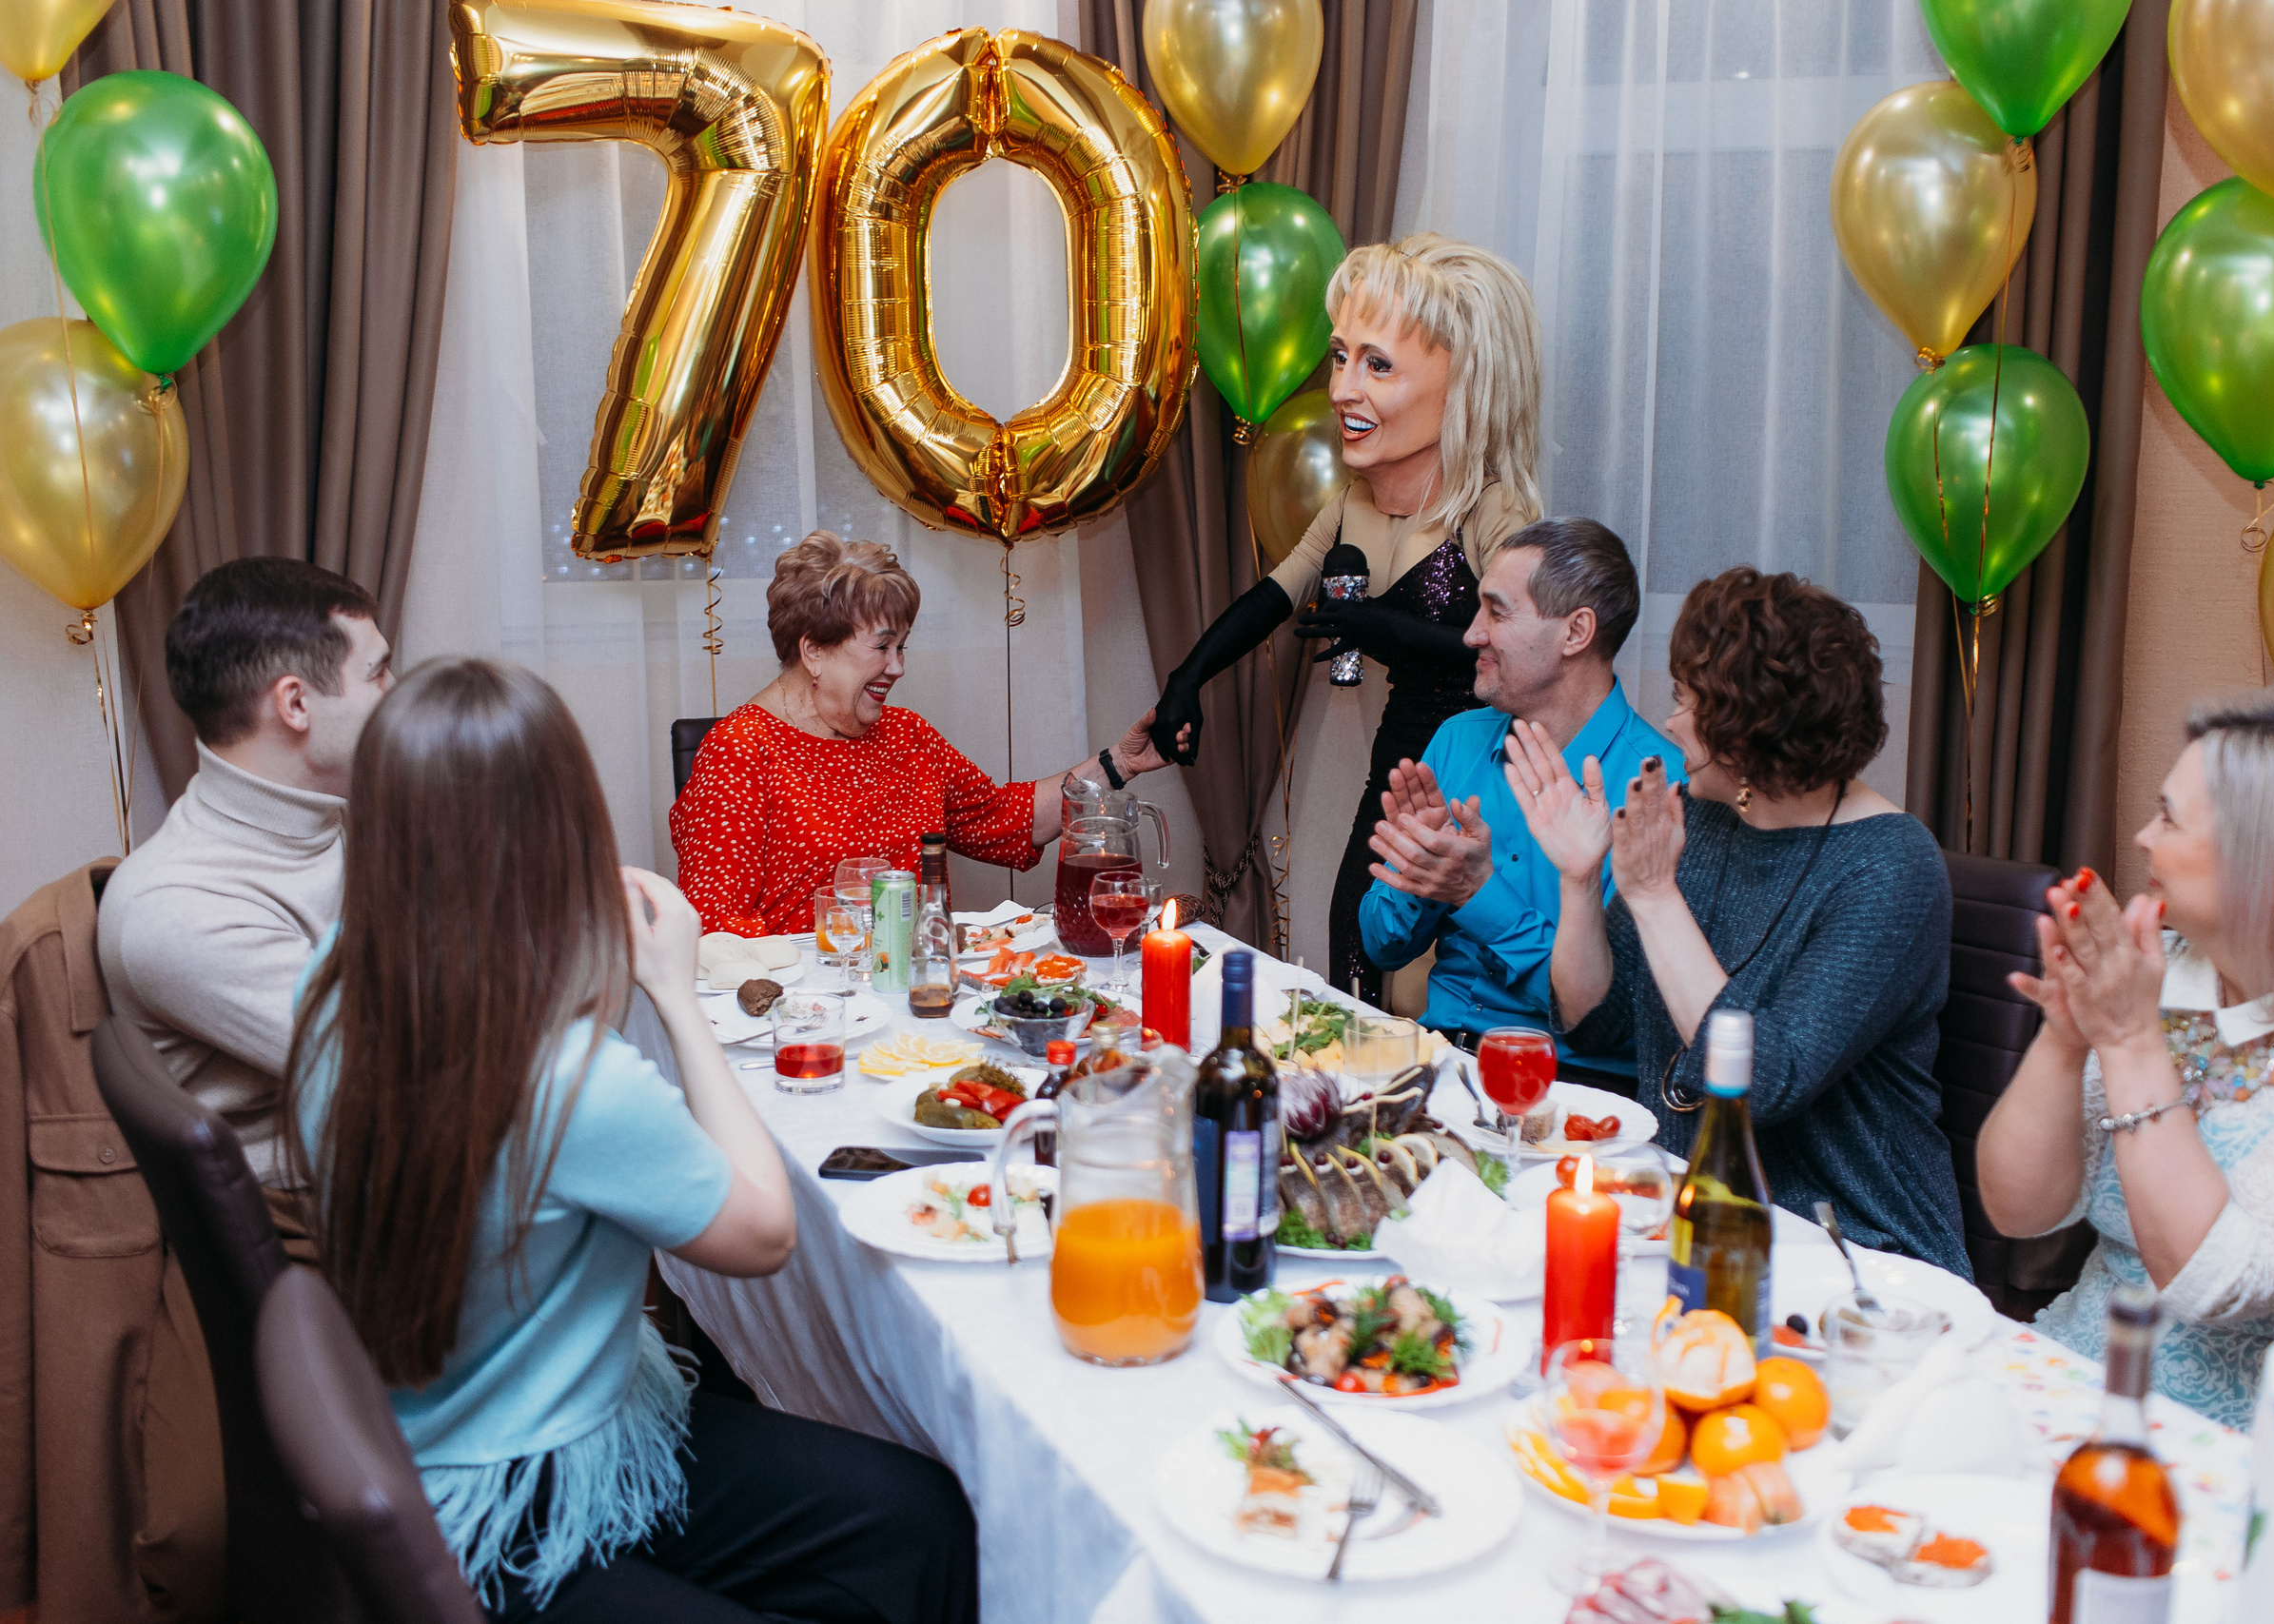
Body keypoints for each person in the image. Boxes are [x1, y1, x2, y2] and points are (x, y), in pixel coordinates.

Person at [287, 659, 979, 1620]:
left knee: (919, 1518)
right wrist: (674, 993)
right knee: (923, 1528)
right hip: (525, 1496)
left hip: (429, 1434)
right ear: (563, 826)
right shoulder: (564, 1075)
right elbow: (765, 1233)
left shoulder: (335, 976)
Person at [1977, 685, 2274, 1426]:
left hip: (2266, 1445)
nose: (2142, 837)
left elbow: (2222, 1281)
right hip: (2080, 1378)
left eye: (2169, 817)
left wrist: (2128, 1040)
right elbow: (2018, 1211)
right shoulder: (2168, 972)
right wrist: (2065, 1037)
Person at [1505, 566, 1964, 1274]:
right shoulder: (1705, 820)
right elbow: (1593, 1019)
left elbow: (1762, 1082)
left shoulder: (1890, 866)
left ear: (1748, 730)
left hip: (1855, 1249)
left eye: (1686, 700)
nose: (1670, 721)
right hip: (1696, 1213)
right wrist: (1579, 878)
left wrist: (1654, 896)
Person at [1148, 233, 1544, 996]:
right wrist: (1186, 676)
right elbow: (1272, 597)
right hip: (1400, 765)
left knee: (1459, 982)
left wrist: (1382, 630)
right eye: (1340, 357)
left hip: (1487, 777)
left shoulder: (1493, 512)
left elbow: (1526, 653)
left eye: (1377, 364)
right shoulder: (1350, 504)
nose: (1341, 389)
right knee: (1353, 944)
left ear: (1463, 381)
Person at [97, 557, 393, 1260]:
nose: (396, 693)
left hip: (383, 1171)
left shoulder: (330, 818)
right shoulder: (177, 909)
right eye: (379, 672)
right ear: (296, 704)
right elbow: (400, 1069)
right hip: (319, 1229)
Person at [673, 532, 1171, 936]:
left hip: (918, 990)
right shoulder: (739, 752)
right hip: (807, 1006)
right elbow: (715, 931)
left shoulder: (906, 735)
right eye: (882, 647)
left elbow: (1006, 820)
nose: (898, 667)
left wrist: (1119, 763)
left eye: (902, 648)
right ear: (814, 651)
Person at [1358, 518, 1679, 1090]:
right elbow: (1382, 946)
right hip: (1439, 1062)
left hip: (1573, 1091)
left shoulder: (1658, 786)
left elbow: (1621, 1023)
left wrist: (1478, 895)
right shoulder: (1458, 740)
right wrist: (1418, 875)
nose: (1471, 634)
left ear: (1576, 632)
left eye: (1497, 612)